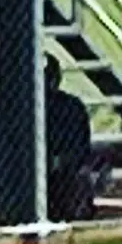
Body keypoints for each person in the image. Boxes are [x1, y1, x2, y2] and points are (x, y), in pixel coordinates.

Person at [43, 55, 93, 221]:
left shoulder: (71, 106)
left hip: (63, 168)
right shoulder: (73, 104)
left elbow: (82, 143)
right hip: (66, 167)